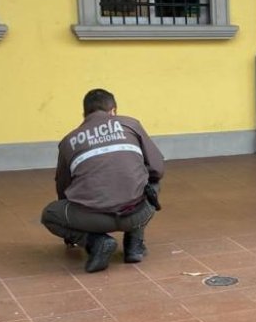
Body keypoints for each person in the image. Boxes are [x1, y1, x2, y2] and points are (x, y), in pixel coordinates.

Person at [41, 89, 165, 273]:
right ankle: (134, 245)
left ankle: (96, 241)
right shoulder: (131, 124)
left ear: (84, 114)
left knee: (50, 215)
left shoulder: (68, 142)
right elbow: (158, 168)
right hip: (137, 213)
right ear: (113, 110)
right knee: (152, 183)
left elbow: (63, 188)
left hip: (91, 219)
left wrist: (73, 225)